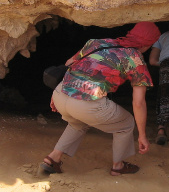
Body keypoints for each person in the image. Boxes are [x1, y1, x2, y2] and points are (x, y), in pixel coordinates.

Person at [39, 22, 161, 176]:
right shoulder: (135, 59)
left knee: (78, 123)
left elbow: (69, 63)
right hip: (85, 103)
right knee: (126, 123)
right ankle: (118, 166)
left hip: (60, 93)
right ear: (149, 43)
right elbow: (138, 103)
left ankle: (52, 159)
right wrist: (142, 135)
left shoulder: (98, 42)